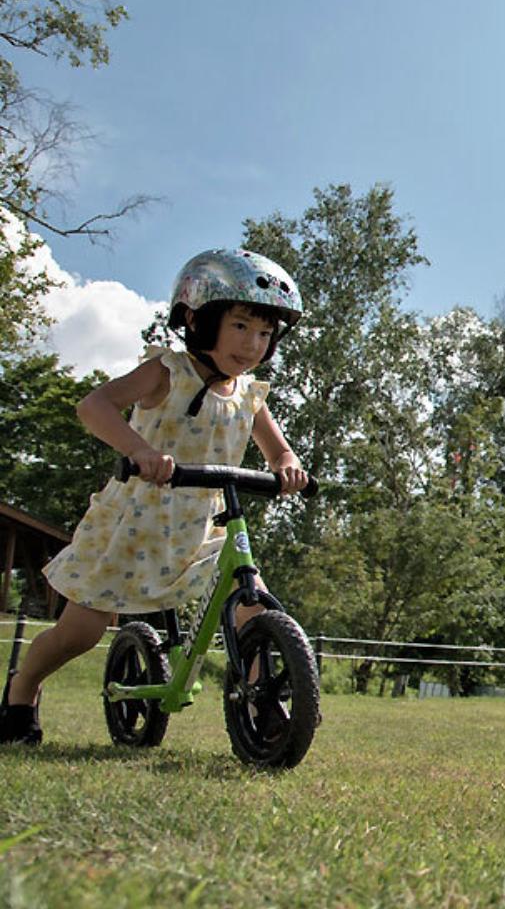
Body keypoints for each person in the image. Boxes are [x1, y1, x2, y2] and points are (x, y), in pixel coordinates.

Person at [0, 249, 309, 746]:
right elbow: (95, 406)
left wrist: (287, 467)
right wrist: (139, 450)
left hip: (202, 526)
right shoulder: (168, 371)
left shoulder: (249, 395)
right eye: (240, 326)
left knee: (251, 602)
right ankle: (23, 686)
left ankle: (264, 703)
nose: (252, 344)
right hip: (134, 524)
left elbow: (279, 451)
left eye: (264, 333)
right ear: (198, 319)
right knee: (79, 634)